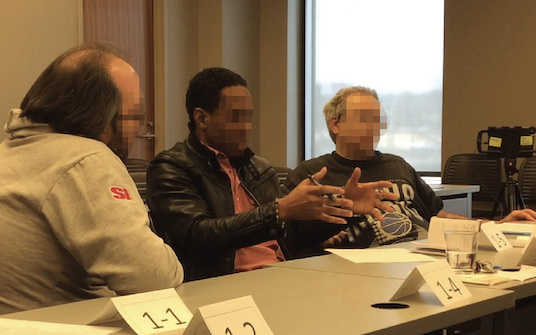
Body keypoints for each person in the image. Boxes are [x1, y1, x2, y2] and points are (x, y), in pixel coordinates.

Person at [0, 44, 183, 329]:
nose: (140, 128)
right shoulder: (85, 160)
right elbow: (155, 281)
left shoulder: (16, 148)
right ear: (104, 119)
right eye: (135, 116)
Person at [147, 67, 378, 281]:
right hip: (225, 282)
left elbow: (294, 237)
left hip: (281, 276)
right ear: (202, 119)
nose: (247, 127)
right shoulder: (171, 167)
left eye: (248, 117)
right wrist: (277, 211)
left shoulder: (257, 167)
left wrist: (347, 209)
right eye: (236, 117)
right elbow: (199, 235)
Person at [285, 86, 442, 254]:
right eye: (363, 118)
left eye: (377, 120)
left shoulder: (398, 165)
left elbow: (437, 215)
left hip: (422, 254)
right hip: (360, 267)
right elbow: (289, 238)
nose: (372, 126)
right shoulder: (312, 174)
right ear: (335, 124)